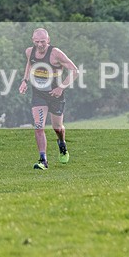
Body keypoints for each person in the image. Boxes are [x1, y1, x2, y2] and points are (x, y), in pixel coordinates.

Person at [19, 28, 78, 170]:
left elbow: (75, 71)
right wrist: (25, 81)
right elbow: (29, 64)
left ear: (48, 40)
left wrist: (61, 87)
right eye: (37, 42)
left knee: (57, 128)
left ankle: (62, 143)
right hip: (38, 94)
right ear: (33, 40)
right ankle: (43, 160)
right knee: (38, 126)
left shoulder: (56, 53)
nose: (40, 45)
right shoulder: (29, 52)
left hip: (55, 95)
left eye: (43, 42)